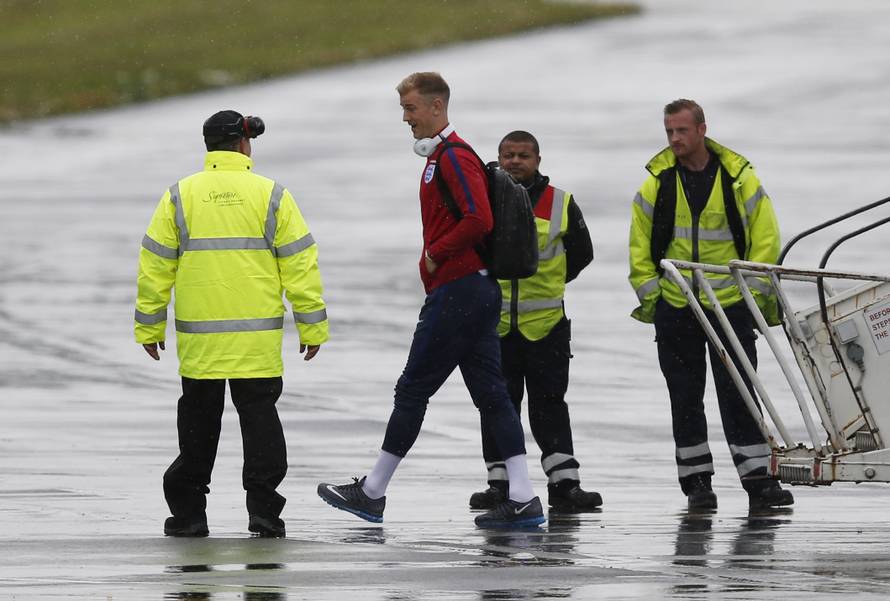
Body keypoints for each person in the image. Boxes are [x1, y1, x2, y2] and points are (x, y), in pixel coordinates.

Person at [317, 72, 545, 528]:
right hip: (473, 291)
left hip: (460, 292)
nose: (406, 118)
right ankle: (522, 497)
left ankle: (372, 492)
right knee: (493, 396)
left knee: (413, 389)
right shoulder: (441, 156)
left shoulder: (454, 157)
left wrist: (436, 254)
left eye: (411, 108)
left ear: (437, 106)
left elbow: (479, 219)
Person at [134, 110, 328, 538]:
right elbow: (300, 265)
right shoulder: (272, 195)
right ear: (244, 143)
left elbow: (155, 266)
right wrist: (312, 326)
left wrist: (149, 327)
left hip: (200, 341)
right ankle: (264, 513)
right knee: (260, 423)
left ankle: (189, 516)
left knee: (198, 426)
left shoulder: (179, 196)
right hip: (256, 341)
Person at [628, 99, 793, 510]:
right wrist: (655, 297)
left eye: (681, 130)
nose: (674, 139)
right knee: (684, 398)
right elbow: (639, 246)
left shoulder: (739, 179)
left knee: (740, 395)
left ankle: (759, 481)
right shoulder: (657, 183)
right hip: (677, 305)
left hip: (729, 304)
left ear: (702, 129)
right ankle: (697, 485)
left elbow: (765, 238)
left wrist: (751, 296)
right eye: (669, 131)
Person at [468, 131, 602, 513]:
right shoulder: (485, 199)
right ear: (499, 158)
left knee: (550, 405)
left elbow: (582, 253)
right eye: (508, 155)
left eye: (523, 155)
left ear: (537, 160)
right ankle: (499, 485)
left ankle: (565, 485)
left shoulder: (560, 202)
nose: (514, 161)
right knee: (497, 405)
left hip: (546, 325)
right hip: (496, 326)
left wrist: (552, 283)